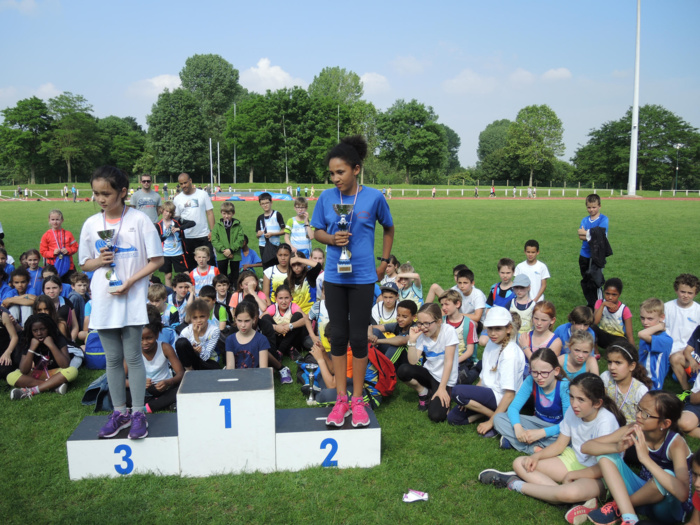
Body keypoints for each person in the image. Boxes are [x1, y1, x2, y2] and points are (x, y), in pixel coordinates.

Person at [310, 135, 394, 428]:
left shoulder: (373, 197)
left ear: (356, 169)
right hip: (334, 276)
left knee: (359, 338)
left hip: (362, 278)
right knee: (338, 336)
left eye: (340, 172)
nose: (335, 178)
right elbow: (316, 230)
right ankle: (341, 400)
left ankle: (358, 400)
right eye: (331, 173)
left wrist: (383, 262)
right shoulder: (326, 198)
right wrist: (331, 239)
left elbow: (389, 227)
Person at [79, 165, 164, 439]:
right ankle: (119, 413)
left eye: (106, 193)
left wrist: (130, 282)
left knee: (132, 357)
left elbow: (157, 260)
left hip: (131, 300)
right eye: (96, 194)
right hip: (104, 300)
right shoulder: (92, 224)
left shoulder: (139, 220)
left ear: (123, 192)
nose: (101, 199)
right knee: (113, 360)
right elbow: (85, 264)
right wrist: (99, 261)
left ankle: (138, 412)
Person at [478, 373, 625, 512]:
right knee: (520, 463)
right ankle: (569, 500)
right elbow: (560, 445)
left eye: (581, 399)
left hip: (601, 474)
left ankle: (514, 483)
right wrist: (536, 457)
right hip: (572, 459)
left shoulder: (606, 421)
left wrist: (575, 475)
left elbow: (606, 466)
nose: (574, 404)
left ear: (597, 403)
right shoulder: (573, 412)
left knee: (569, 492)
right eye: (572, 397)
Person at [580, 391, 691, 525]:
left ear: (665, 424)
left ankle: (619, 506)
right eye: (638, 408)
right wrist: (617, 448)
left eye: (645, 414)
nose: (638, 415)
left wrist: (645, 459)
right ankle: (630, 518)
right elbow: (586, 447)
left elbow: (683, 493)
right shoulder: (636, 428)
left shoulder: (675, 444)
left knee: (666, 475)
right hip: (643, 497)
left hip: (668, 509)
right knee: (606, 455)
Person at [447, 306, 525, 435]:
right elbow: (483, 378)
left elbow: (509, 394)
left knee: (457, 391)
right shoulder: (491, 343)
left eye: (498, 329)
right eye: (490, 329)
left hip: (500, 397)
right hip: (489, 393)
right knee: (453, 418)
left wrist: (468, 398)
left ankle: (495, 419)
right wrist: (471, 397)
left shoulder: (510, 353)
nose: (493, 333)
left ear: (509, 329)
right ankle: (493, 416)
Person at [494, 348, 570, 453]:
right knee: (498, 418)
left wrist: (541, 433)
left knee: (570, 438)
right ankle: (537, 447)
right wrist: (518, 428)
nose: (539, 377)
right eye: (535, 372)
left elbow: (568, 424)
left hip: (558, 429)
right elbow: (513, 407)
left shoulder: (564, 387)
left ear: (556, 371)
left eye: (544, 373)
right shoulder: (531, 380)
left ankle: (522, 444)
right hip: (536, 422)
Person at [398, 303, 458, 422]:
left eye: (427, 323)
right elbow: (413, 361)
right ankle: (424, 392)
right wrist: (412, 340)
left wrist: (442, 388)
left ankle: (436, 392)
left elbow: (448, 362)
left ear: (439, 321)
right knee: (403, 370)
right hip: (429, 373)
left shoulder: (449, 331)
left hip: (445, 379)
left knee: (436, 416)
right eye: (419, 323)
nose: (423, 327)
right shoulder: (421, 335)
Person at [7, 314, 78, 399]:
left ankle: (32, 390)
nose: (39, 333)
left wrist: (51, 345)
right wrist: (32, 348)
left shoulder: (58, 338)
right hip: (37, 373)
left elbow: (65, 365)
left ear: (49, 328)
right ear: (31, 331)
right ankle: (54, 386)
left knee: (72, 371)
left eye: (43, 329)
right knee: (11, 376)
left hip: (56, 373)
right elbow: (24, 371)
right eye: (35, 330)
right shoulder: (29, 341)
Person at [129, 307, 183, 413]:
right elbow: (121, 378)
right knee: (114, 392)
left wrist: (168, 382)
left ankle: (148, 406)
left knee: (181, 389)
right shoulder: (133, 351)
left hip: (163, 388)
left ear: (157, 335)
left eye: (149, 338)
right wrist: (138, 383)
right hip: (142, 390)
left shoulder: (165, 347)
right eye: (140, 339)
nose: (144, 343)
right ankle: (160, 404)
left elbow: (181, 373)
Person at [602, 340, 653, 424]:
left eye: (618, 363)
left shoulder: (640, 390)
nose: (612, 367)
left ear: (632, 366)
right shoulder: (606, 378)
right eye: (609, 362)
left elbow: (646, 419)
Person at [173, 172, 215, 268]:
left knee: (210, 263)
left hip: (203, 235)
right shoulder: (177, 199)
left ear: (190, 181)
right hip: (187, 237)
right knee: (191, 265)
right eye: (181, 184)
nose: (184, 185)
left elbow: (210, 213)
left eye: (185, 182)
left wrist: (212, 231)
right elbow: (177, 219)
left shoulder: (203, 194)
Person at [262, 284, 313, 363]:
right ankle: (290, 349)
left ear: (291, 298)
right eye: (280, 298)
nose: (283, 301)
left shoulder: (293, 306)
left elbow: (306, 319)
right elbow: (260, 321)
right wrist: (276, 327)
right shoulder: (273, 308)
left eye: (286, 298)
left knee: (298, 316)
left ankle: (280, 351)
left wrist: (290, 326)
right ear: (276, 299)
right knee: (265, 318)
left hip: (293, 339)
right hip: (278, 339)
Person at [667, 274, 700, 391]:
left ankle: (689, 389)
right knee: (675, 373)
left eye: (690, 293)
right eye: (683, 292)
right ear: (676, 290)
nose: (685, 295)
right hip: (671, 351)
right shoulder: (667, 307)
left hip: (692, 352)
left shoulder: (698, 311)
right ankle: (687, 391)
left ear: (695, 294)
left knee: (676, 376)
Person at [440, 290, 478, 385]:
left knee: (460, 380)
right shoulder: (441, 322)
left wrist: (454, 362)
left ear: (457, 304)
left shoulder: (468, 324)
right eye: (442, 305)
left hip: (461, 360)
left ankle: (477, 369)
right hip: (442, 359)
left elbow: (469, 351)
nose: (443, 308)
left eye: (446, 304)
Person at [578, 193, 609, 308]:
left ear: (599, 206)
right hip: (584, 254)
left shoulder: (603, 219)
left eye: (594, 207)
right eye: (589, 207)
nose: (591, 210)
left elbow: (602, 235)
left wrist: (587, 234)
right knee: (585, 280)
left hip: (596, 255)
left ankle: (599, 304)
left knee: (595, 281)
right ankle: (590, 303)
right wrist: (593, 234)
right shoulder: (585, 220)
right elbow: (580, 236)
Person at [155, 201, 195, 288]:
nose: (168, 214)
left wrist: (178, 228)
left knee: (186, 274)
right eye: (166, 211)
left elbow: (192, 223)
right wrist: (166, 235)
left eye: (170, 212)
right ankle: (169, 295)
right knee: (168, 275)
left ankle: (191, 291)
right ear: (162, 210)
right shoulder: (158, 225)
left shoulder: (177, 221)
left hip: (178, 252)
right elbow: (157, 240)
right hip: (165, 253)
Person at [638, 297, 673, 391]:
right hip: (639, 378)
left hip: (653, 383)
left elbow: (641, 334)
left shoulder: (665, 340)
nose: (645, 322)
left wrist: (661, 326)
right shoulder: (647, 333)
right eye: (642, 318)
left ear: (662, 317)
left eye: (650, 319)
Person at [175, 299, 221, 370]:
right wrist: (191, 349)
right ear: (191, 318)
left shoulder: (214, 330)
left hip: (208, 362)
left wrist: (197, 339)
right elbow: (181, 353)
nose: (199, 320)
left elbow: (205, 357)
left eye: (202, 316)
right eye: (195, 318)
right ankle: (189, 372)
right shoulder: (186, 331)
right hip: (190, 363)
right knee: (181, 342)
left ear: (208, 316)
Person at [593, 277, 635, 349]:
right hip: (603, 336)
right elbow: (594, 322)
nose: (610, 297)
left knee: (622, 346)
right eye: (607, 294)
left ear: (619, 295)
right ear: (604, 292)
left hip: (618, 339)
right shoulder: (599, 303)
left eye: (614, 295)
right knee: (591, 328)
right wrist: (603, 305)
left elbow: (629, 335)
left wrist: (634, 354)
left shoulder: (624, 310)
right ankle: (596, 353)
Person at [39, 209, 78, 282]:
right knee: (53, 285)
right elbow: (43, 251)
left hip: (68, 265)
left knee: (68, 284)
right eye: (53, 219)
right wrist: (52, 253)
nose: (55, 222)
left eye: (57, 219)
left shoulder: (68, 234)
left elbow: (75, 247)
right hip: (52, 266)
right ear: (49, 221)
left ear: (62, 220)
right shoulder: (46, 235)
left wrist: (68, 250)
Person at [211, 201, 244, 286]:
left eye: (229, 213)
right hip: (222, 254)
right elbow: (214, 240)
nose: (226, 216)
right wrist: (224, 250)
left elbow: (240, 240)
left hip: (235, 254)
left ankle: (236, 290)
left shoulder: (238, 225)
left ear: (233, 213)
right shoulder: (217, 226)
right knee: (222, 275)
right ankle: (225, 291)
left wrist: (231, 250)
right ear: (221, 213)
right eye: (224, 213)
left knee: (235, 274)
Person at [255, 192, 284, 259]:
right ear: (260, 205)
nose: (265, 205)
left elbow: (284, 230)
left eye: (267, 203)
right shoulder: (260, 218)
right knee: (266, 267)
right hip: (263, 246)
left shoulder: (277, 214)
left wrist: (273, 234)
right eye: (263, 204)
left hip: (275, 245)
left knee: (276, 266)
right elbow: (257, 235)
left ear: (271, 203)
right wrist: (258, 234)